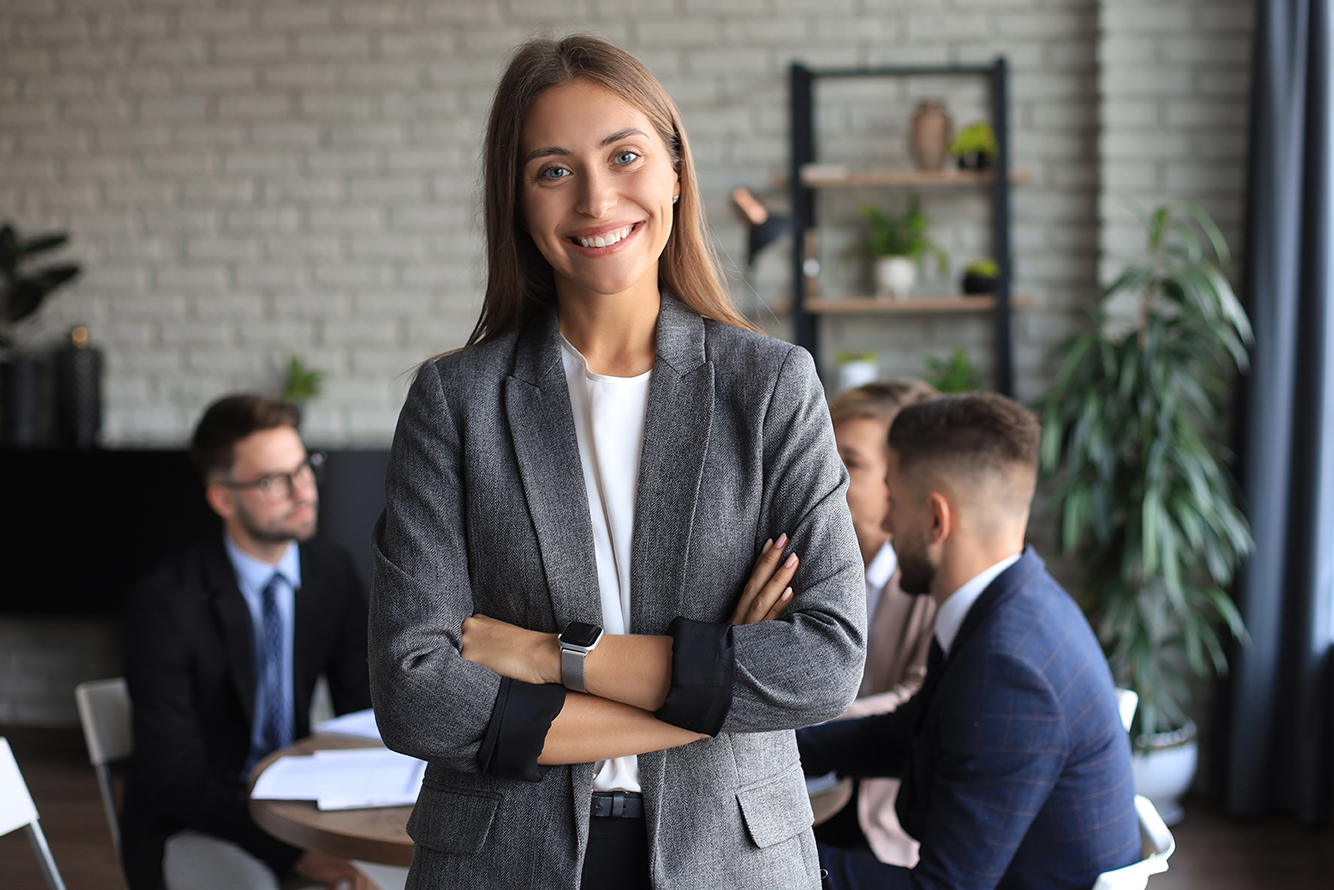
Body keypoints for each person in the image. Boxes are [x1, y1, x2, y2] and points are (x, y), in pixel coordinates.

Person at [368, 35, 865, 890]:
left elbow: (826, 661)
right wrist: (710, 698)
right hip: (502, 861)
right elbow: (415, 692)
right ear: (519, 203)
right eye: (552, 171)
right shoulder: (455, 402)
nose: (597, 199)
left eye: (624, 156)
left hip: (733, 858)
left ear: (675, 170)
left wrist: (542, 656)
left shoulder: (772, 387)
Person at [797, 393, 1141, 890]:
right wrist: (770, 751)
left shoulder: (1009, 668)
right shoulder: (1013, 600)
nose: (887, 523)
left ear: (937, 520)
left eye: (894, 500)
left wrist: (768, 856)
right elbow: (901, 734)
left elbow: (942, 888)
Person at [121, 395, 374, 890]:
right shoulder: (165, 603)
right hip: (194, 820)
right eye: (273, 481)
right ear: (222, 499)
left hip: (298, 799)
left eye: (304, 468)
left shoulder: (332, 574)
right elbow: (173, 776)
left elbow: (364, 709)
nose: (303, 491)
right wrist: (291, 854)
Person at [813, 380, 938, 867]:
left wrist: (811, 713)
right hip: (811, 791)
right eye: (824, 452)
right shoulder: (808, 561)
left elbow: (920, 699)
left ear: (900, 479)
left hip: (886, 820)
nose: (826, 473)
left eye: (852, 462)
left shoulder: (932, 581)